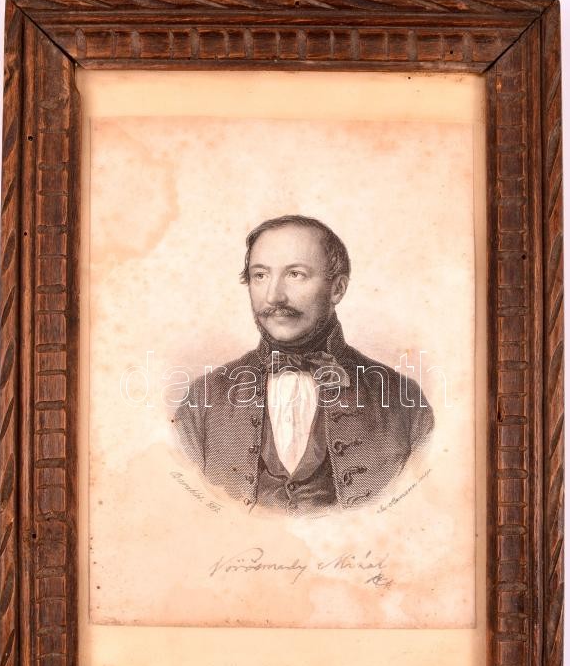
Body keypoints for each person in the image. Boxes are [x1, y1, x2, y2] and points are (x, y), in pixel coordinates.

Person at [174, 215, 434, 515]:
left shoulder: (404, 402)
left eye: (295, 274)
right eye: (260, 275)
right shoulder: (203, 400)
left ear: (337, 288)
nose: (274, 296)